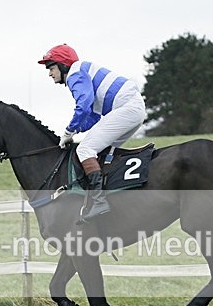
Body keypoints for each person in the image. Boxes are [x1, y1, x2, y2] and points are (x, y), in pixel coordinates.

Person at [38, 44, 146, 223]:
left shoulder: (74, 74)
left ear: (63, 64)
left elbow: (83, 105)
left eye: (51, 67)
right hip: (132, 108)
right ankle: (110, 198)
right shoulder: (83, 73)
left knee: (85, 150)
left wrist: (69, 130)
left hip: (127, 108)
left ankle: (99, 202)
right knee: (103, 152)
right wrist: (75, 131)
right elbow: (93, 117)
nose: (49, 73)